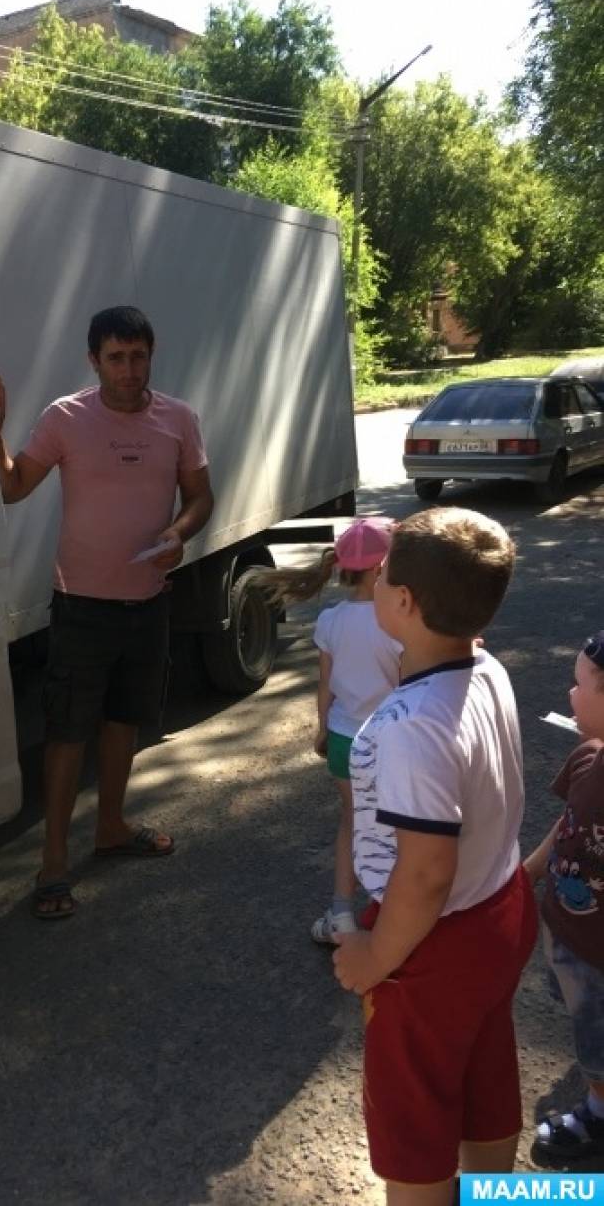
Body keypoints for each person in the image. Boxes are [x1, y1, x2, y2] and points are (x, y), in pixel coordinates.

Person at [332, 506, 537, 1206]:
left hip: (433, 944)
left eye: (383, 572)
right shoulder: (488, 669)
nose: (374, 579)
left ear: (405, 602)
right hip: (498, 911)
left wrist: (375, 956)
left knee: (415, 1118)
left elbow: (424, 873)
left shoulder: (411, 727)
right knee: (484, 1075)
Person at [0, 306, 213, 920]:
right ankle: (53, 862)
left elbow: (200, 497)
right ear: (94, 360)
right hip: (81, 606)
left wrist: (180, 531)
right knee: (66, 732)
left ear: (151, 355)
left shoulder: (179, 418)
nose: (129, 371)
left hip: (148, 600)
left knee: (124, 721)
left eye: (138, 357)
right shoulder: (66, 417)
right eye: (116, 358)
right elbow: (12, 487)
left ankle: (111, 827)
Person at [260, 517, 400, 945]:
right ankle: (393, 913)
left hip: (342, 739)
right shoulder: (397, 621)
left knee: (353, 821)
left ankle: (341, 913)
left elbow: (326, 685)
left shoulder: (331, 620)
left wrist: (322, 729)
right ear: (380, 568)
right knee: (397, 825)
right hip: (391, 742)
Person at [524, 630, 604, 1169]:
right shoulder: (587, 758)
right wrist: (528, 872)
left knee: (595, 1036)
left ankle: (598, 1114)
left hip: (597, 952)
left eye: (580, 685)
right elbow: (567, 821)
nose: (570, 694)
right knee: (581, 1013)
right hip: (566, 932)